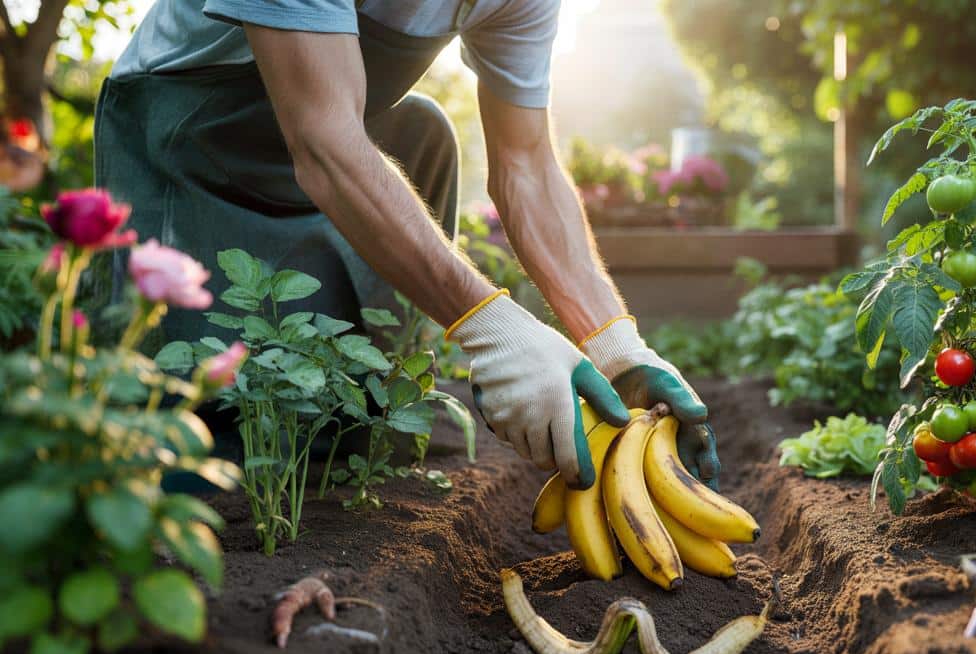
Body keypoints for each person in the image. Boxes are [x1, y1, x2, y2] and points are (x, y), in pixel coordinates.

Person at [95, 0, 719, 491]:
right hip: (184, 131)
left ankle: (354, 458)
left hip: (323, 132)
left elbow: (525, 163)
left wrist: (615, 344)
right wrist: (492, 325)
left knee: (423, 132)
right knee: (200, 437)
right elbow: (324, 140)